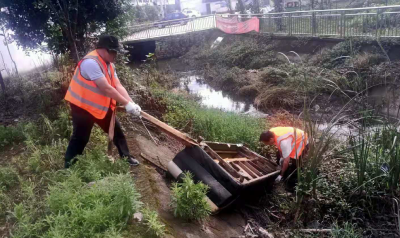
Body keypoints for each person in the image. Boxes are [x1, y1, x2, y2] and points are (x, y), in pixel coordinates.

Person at [64, 35, 141, 168]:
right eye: (114, 52)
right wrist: (126, 104)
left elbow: (117, 86)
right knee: (80, 138)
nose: (115, 55)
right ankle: (69, 167)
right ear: (104, 50)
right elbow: (105, 88)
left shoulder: (109, 65)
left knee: (117, 131)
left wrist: (131, 103)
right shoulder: (90, 63)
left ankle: (126, 157)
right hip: (82, 107)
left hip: (99, 106)